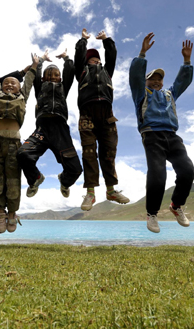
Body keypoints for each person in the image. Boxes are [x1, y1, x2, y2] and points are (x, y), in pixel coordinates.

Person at [128, 32, 194, 233]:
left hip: (172, 136)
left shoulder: (169, 94)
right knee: (158, 175)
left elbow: (183, 81)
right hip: (152, 135)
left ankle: (176, 206)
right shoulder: (141, 94)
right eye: (152, 78)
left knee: (188, 171)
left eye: (159, 79)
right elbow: (135, 77)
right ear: (146, 82)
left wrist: (186, 60)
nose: (156, 81)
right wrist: (142, 54)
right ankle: (152, 215)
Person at [74, 28, 129, 211]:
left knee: (109, 152)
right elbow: (79, 55)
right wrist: (83, 41)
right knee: (89, 153)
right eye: (91, 58)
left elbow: (112, 54)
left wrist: (106, 40)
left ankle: (111, 190)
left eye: (97, 58)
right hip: (87, 115)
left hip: (107, 115)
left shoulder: (107, 71)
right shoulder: (81, 73)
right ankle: (90, 193)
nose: (94, 60)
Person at [16, 49, 82, 200]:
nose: (52, 77)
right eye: (49, 75)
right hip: (42, 129)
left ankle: (64, 181)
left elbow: (70, 71)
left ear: (60, 78)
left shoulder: (63, 88)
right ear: (44, 78)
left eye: (56, 75)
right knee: (22, 154)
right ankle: (36, 179)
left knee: (76, 169)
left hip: (60, 130)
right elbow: (37, 72)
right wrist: (42, 60)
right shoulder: (40, 87)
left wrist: (66, 58)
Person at [0, 50, 38, 234]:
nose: (9, 84)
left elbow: (29, 83)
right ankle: (1, 213)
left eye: (13, 83)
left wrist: (35, 66)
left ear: (18, 87)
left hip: (15, 143)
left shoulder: (23, 97)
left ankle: (12, 214)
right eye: (6, 82)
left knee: (14, 179)